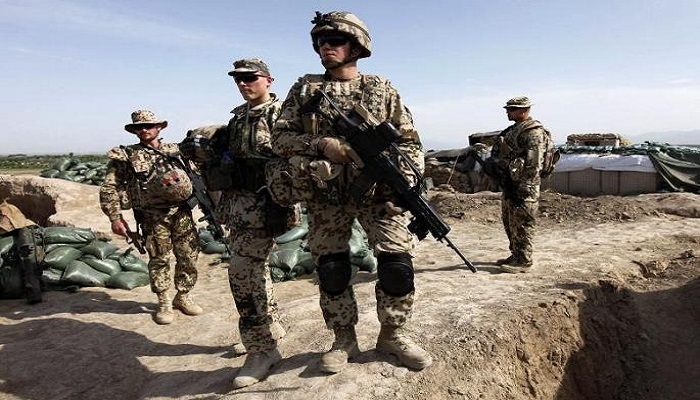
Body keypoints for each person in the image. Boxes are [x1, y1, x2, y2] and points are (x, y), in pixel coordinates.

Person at [270, 11, 432, 373]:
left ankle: (392, 335)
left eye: (335, 41)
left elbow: (410, 142)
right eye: (320, 42)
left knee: (397, 266)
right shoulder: (305, 90)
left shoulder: (381, 88)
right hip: (326, 195)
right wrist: (320, 144)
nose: (326, 47)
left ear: (356, 47)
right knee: (332, 269)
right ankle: (343, 340)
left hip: (379, 194)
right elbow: (278, 139)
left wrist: (403, 184)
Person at [179, 58, 292, 389]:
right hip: (240, 207)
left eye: (250, 78)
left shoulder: (283, 115)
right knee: (255, 270)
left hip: (269, 205)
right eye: (238, 79)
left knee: (242, 274)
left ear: (268, 80)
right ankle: (270, 327)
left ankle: (261, 350)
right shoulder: (238, 118)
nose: (243, 84)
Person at [99, 109, 202, 325]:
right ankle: (163, 301)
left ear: (159, 127)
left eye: (148, 125)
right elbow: (110, 187)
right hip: (152, 217)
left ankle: (183, 295)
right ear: (134, 131)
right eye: (139, 127)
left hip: (182, 212)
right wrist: (115, 217)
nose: (144, 129)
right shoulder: (126, 155)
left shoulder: (177, 150)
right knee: (159, 258)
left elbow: (197, 174)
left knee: (188, 255)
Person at [491, 96, 549, 273]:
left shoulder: (533, 132)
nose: (508, 112)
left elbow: (534, 162)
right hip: (511, 183)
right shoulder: (513, 130)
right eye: (507, 109)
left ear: (525, 110)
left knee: (523, 223)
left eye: (512, 109)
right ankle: (516, 254)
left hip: (525, 187)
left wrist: (526, 186)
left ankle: (524, 260)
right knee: (510, 221)